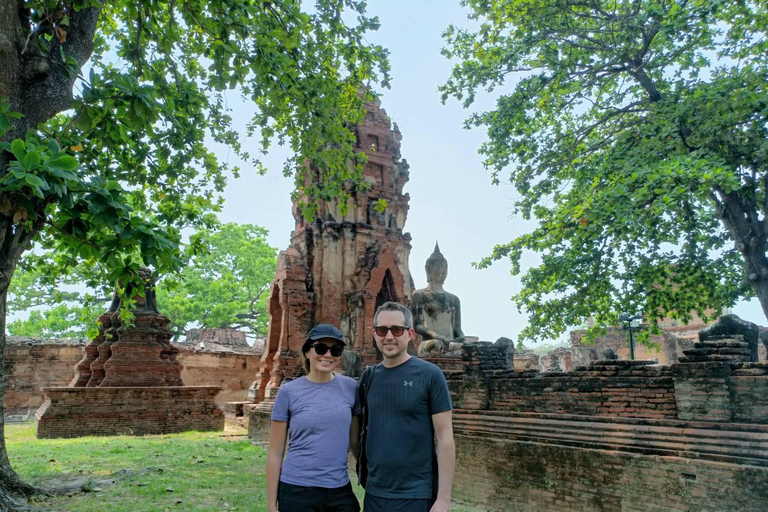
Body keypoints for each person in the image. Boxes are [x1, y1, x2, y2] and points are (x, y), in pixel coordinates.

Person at [360, 301, 456, 512]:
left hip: (416, 495)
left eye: (396, 329)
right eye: (382, 330)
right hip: (375, 493)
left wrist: (444, 499)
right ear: (374, 333)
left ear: (410, 333)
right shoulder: (368, 378)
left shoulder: (430, 375)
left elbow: (445, 439)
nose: (389, 336)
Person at [267, 324, 361, 512]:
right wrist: (271, 505)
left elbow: (355, 443)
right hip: (298, 489)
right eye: (320, 348)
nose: (328, 355)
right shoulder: (289, 392)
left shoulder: (350, 388)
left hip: (339, 489)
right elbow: (275, 453)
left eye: (335, 350)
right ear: (307, 352)